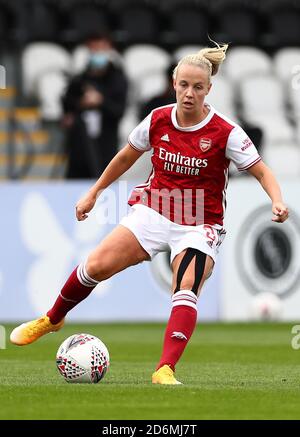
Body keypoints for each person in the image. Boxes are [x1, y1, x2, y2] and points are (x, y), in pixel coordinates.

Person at [10, 43, 289, 385]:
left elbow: (262, 171)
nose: (189, 93)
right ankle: (53, 318)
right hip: (153, 212)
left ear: (209, 89)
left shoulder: (226, 132)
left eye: (197, 87)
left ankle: (164, 369)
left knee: (186, 285)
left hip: (199, 224)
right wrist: (95, 192)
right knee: (94, 266)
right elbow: (126, 156)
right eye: (184, 85)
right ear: (174, 83)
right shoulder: (158, 119)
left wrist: (276, 200)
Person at [62, 32, 128, 178]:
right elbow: (67, 103)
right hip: (79, 149)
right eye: (94, 49)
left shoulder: (118, 79)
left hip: (105, 147)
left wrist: (101, 101)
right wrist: (80, 104)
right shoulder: (80, 78)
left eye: (101, 49)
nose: (97, 53)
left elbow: (119, 111)